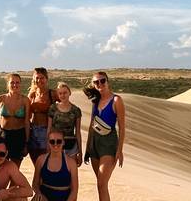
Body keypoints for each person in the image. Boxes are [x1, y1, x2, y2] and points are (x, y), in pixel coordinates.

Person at [84, 72, 125, 201]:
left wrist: (119, 150)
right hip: (95, 143)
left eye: (102, 81)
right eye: (96, 82)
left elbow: (122, 128)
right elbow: (91, 124)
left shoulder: (116, 100)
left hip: (109, 143)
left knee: (102, 183)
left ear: (107, 82)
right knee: (101, 185)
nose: (100, 84)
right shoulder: (95, 101)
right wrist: (87, 149)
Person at [31, 131, 78, 201]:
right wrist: (39, 194)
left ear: (63, 142)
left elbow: (74, 190)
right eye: (52, 141)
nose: (55, 144)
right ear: (48, 143)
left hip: (64, 198)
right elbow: (35, 184)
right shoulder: (41, 160)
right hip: (45, 196)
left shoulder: (71, 163)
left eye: (59, 141)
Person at [0, 73, 30, 167]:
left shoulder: (25, 100)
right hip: (4, 136)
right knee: (1, 167)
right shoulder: (1, 99)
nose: (15, 85)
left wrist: (27, 142)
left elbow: (27, 122)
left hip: (19, 136)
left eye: (17, 82)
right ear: (8, 84)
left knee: (15, 169)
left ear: (20, 84)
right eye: (12, 82)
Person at [27, 67, 58, 164]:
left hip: (47, 132)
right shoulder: (32, 95)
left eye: (42, 78)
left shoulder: (53, 94)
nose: (39, 80)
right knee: (36, 164)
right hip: (33, 133)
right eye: (37, 78)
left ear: (46, 79)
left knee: (47, 164)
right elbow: (27, 116)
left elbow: (66, 107)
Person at [47, 82, 82, 165]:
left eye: (65, 93)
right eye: (60, 93)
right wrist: (47, 146)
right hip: (56, 144)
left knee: (71, 171)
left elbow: (77, 132)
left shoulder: (76, 110)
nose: (63, 95)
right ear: (58, 95)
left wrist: (80, 152)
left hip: (71, 145)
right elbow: (49, 128)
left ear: (69, 93)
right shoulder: (53, 108)